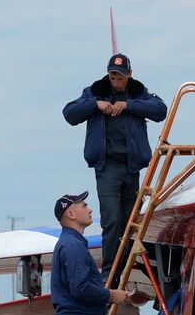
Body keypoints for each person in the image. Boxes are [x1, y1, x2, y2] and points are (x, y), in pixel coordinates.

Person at [63, 54, 167, 279]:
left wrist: (129, 105)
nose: (116, 79)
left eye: (120, 76)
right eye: (112, 75)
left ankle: (125, 273)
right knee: (111, 220)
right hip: (107, 167)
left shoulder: (139, 92)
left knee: (129, 223)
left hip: (132, 167)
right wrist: (95, 105)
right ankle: (109, 276)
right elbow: (69, 114)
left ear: (129, 74)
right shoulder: (94, 91)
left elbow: (161, 110)